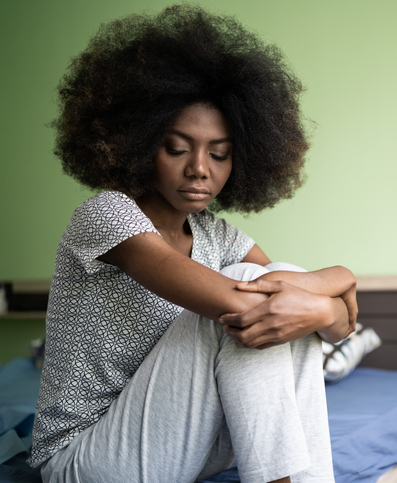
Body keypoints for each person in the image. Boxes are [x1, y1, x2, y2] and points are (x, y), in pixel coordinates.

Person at [28, 6, 357, 483]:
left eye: (219, 154)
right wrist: (340, 281)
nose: (200, 168)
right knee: (249, 288)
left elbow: (336, 328)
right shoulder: (105, 216)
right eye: (177, 148)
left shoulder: (216, 235)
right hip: (86, 457)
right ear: (138, 144)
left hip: (184, 441)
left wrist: (325, 311)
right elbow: (244, 302)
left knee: (277, 289)